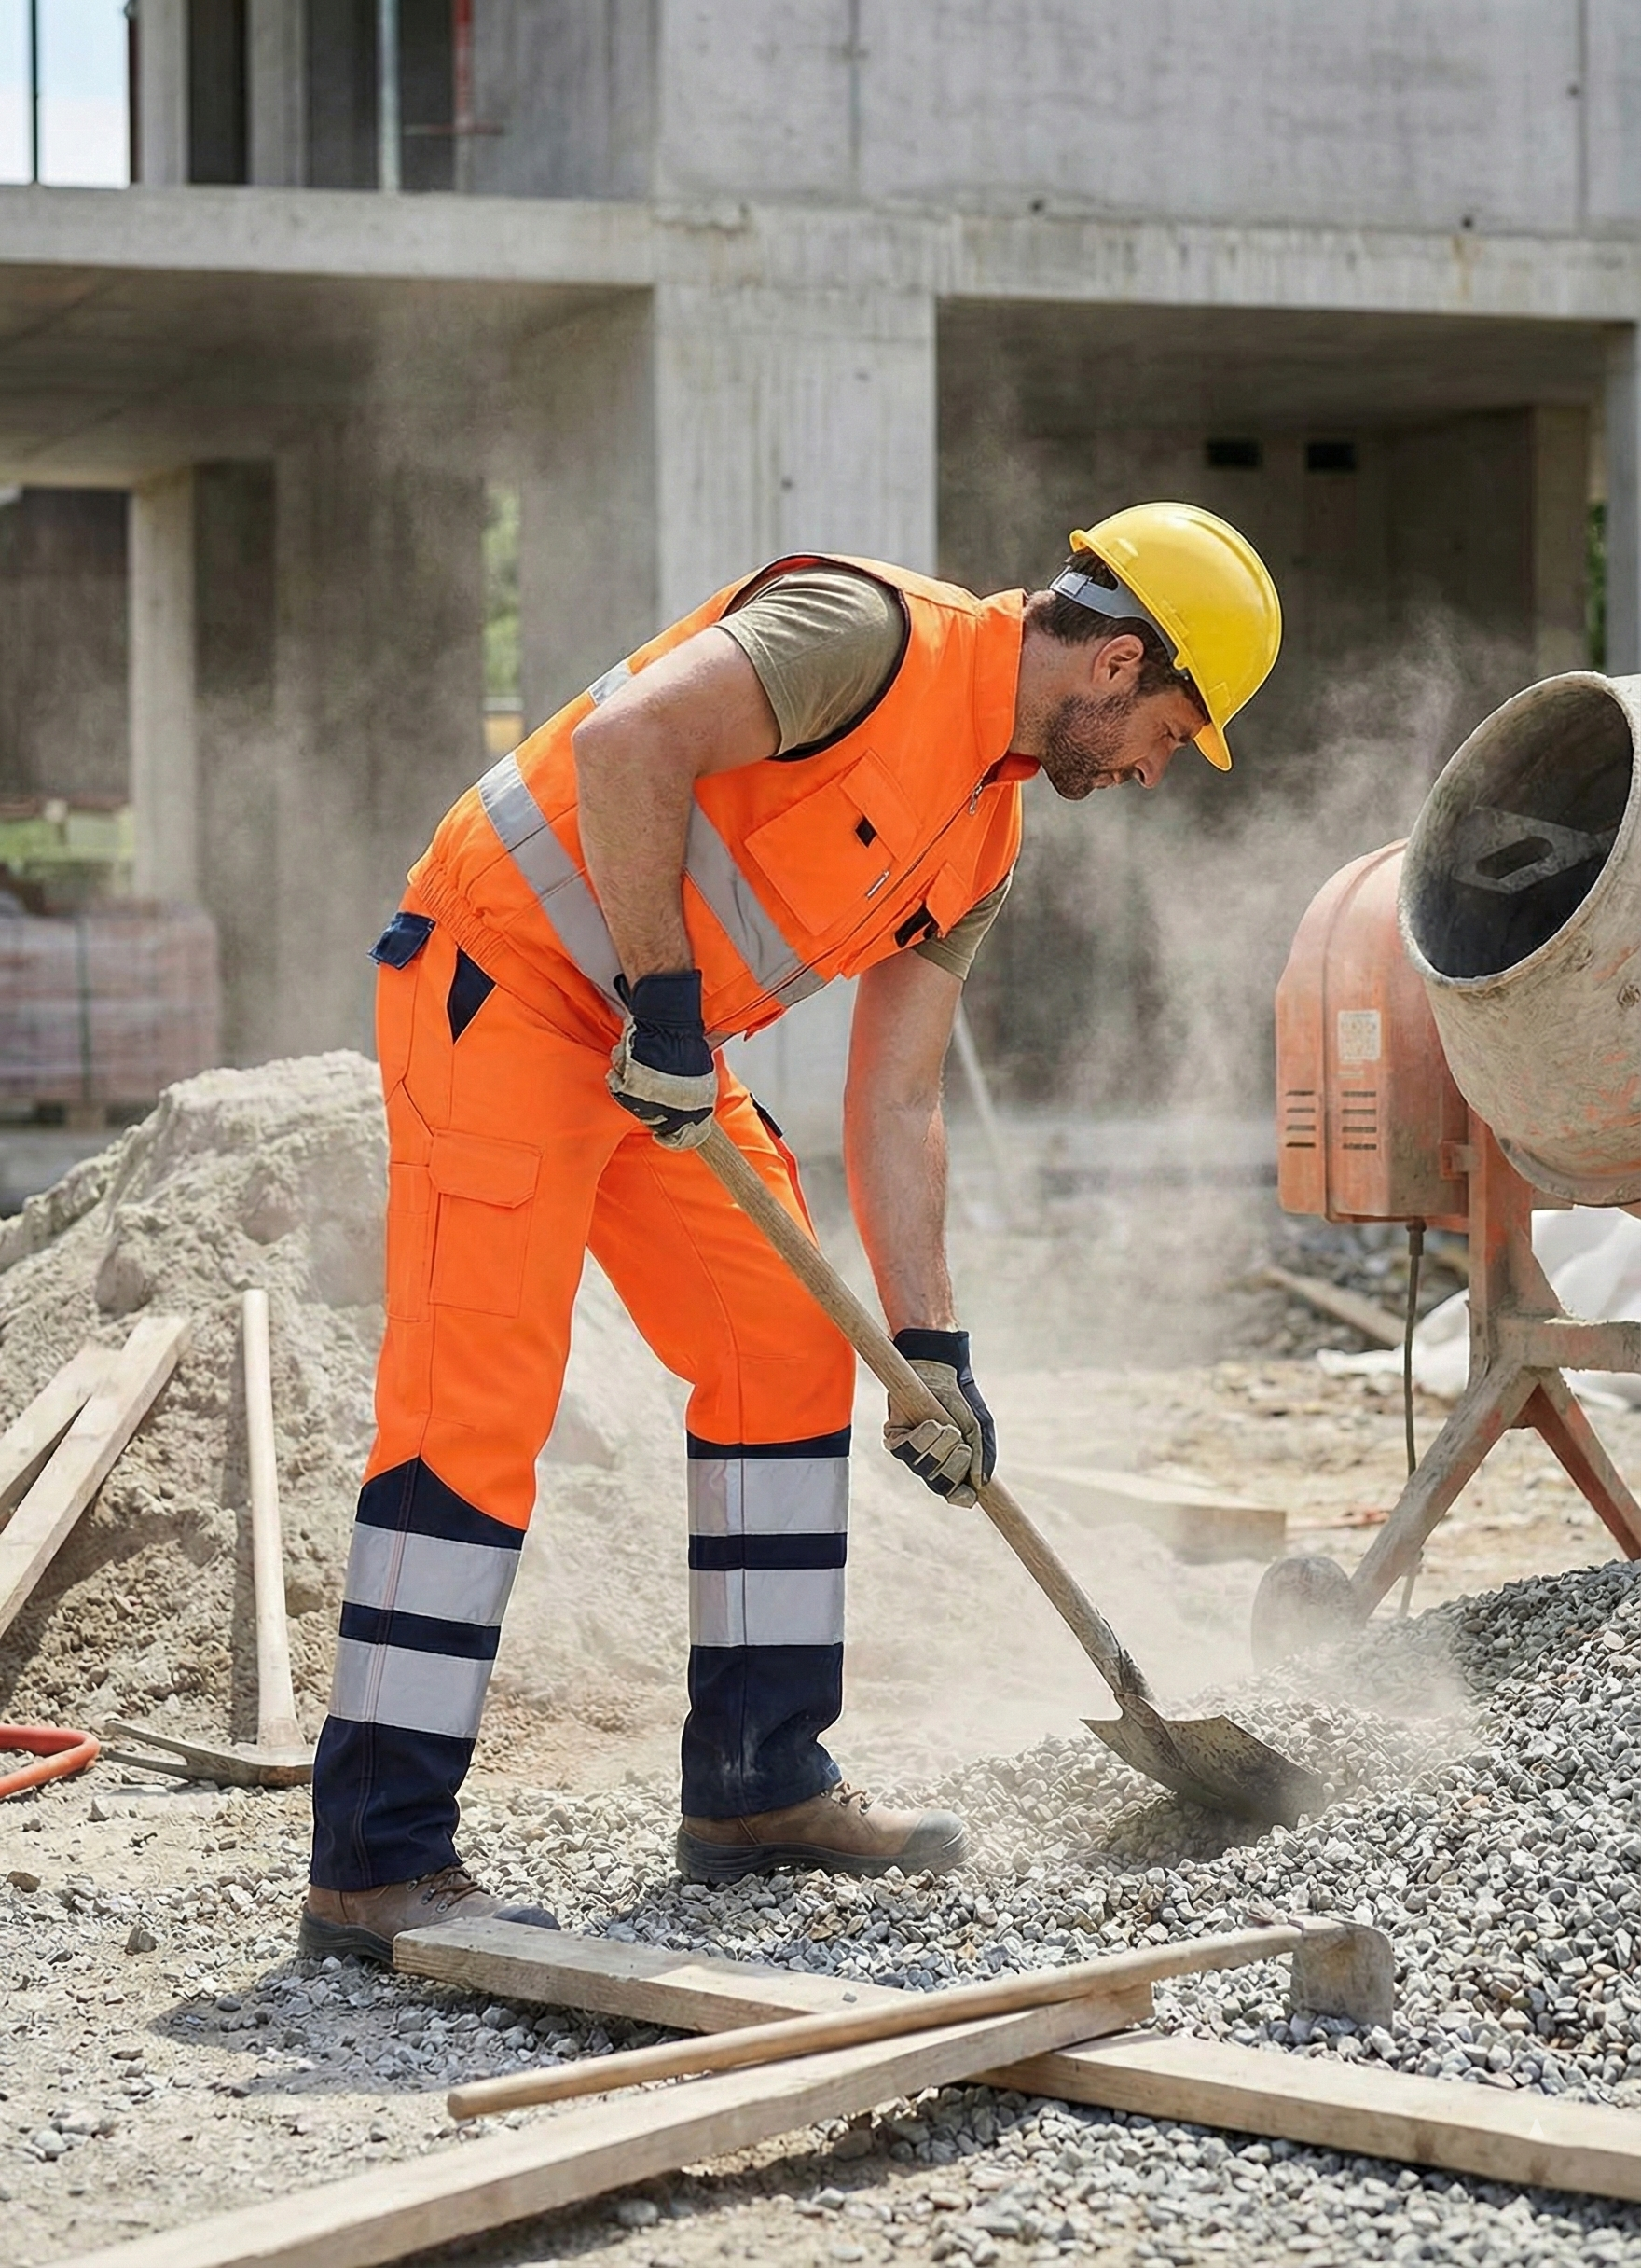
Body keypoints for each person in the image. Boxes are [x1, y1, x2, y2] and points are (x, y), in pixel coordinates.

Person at [299, 502, 1281, 1963]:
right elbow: (630, 745)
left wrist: (934, 1349)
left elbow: (899, 1100)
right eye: (1171, 736)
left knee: (787, 1343)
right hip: (501, 984)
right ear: (1120, 665)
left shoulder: (989, 835)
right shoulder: (870, 637)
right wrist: (668, 1006)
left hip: (648, 1050)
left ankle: (759, 1782)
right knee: (477, 1400)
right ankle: (375, 1858)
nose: (1151, 774)